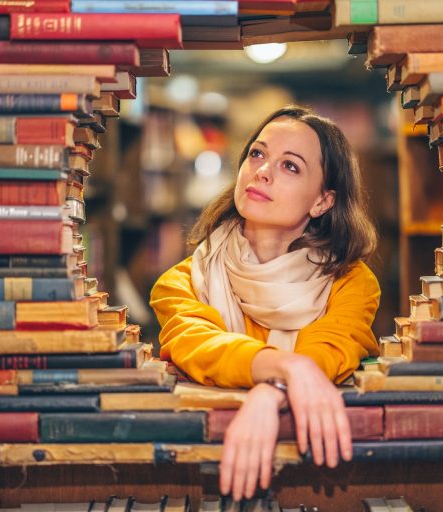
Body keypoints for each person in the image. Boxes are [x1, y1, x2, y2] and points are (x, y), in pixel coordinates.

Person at [150, 105, 380, 501]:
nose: (263, 171)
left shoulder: (351, 282)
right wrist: (290, 367)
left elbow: (330, 349)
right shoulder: (183, 281)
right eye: (257, 154)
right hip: (199, 479)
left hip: (314, 487)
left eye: (290, 166)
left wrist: (269, 391)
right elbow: (200, 346)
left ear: (322, 202)